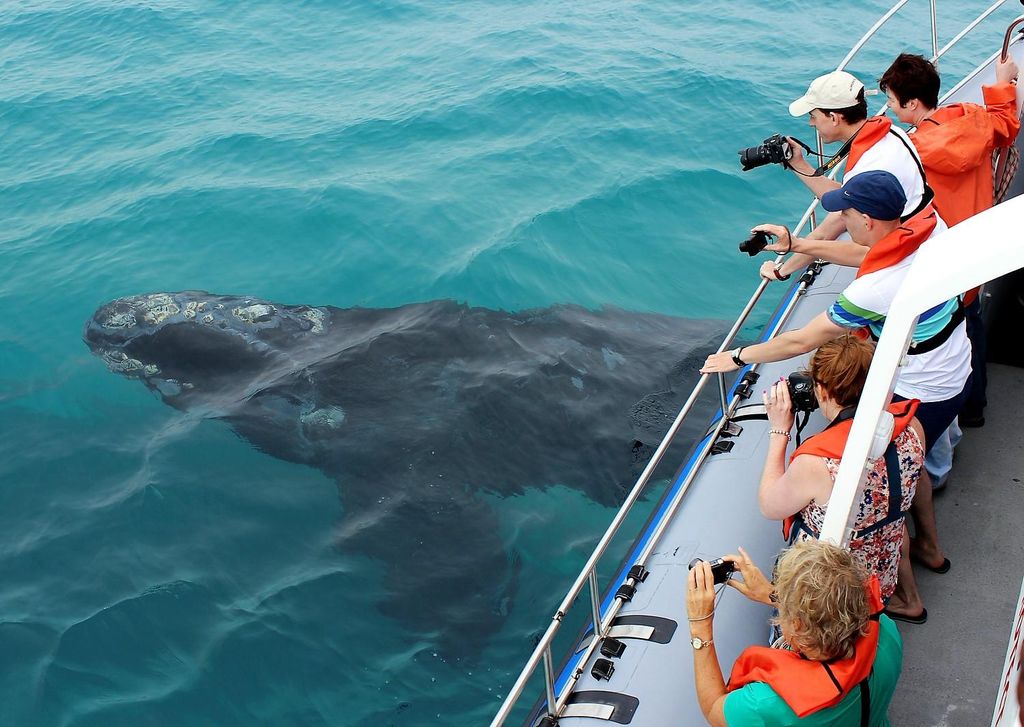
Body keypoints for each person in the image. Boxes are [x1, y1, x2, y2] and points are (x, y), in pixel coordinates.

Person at [701, 170, 970, 580]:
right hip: (954, 365)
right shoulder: (923, 230)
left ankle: (908, 587)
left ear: (868, 220)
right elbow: (870, 256)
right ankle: (931, 548)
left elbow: (801, 341)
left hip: (922, 388)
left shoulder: (874, 290)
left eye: (846, 212)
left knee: (886, 486)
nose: (841, 217)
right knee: (911, 467)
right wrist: (799, 244)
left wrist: (738, 356)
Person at [880, 52, 1021, 429]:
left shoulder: (913, 152)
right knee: (972, 324)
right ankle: (974, 408)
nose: (891, 108)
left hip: (940, 256)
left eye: (893, 101)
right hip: (978, 247)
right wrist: (1003, 82)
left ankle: (939, 414)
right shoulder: (973, 118)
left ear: (912, 103)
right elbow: (1008, 124)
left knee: (946, 333)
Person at [758, 336, 926, 620]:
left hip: (837, 583)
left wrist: (779, 431)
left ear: (822, 391)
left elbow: (770, 506)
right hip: (885, 558)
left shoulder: (817, 463)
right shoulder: (912, 427)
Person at [758, 70, 946, 283]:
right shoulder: (891, 133)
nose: (811, 123)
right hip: (933, 238)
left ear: (834, 117)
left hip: (912, 264)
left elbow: (864, 250)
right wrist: (798, 163)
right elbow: (846, 201)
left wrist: (782, 267)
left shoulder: (870, 166)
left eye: (813, 115)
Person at [686, 541, 902, 726]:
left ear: (797, 626)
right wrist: (773, 595)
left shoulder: (766, 703)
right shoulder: (886, 631)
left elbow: (714, 710)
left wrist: (700, 626)